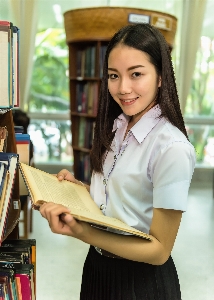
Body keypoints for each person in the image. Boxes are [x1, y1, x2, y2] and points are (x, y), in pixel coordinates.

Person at [40, 23, 195, 300]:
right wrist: (81, 191)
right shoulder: (117, 126)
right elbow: (121, 202)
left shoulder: (172, 147)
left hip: (141, 282)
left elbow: (160, 250)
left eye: (136, 74)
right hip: (97, 267)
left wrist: (83, 232)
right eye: (113, 75)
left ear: (161, 76)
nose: (123, 88)